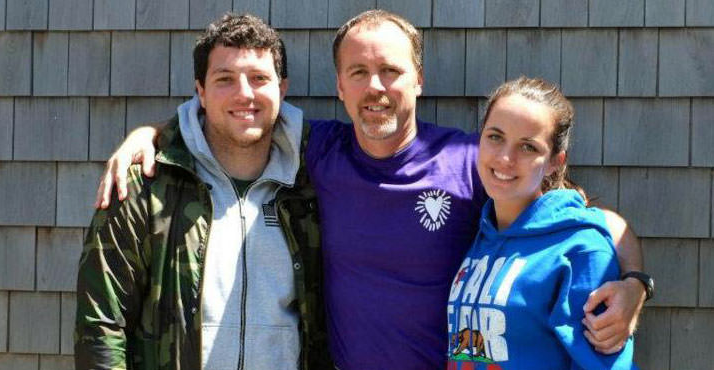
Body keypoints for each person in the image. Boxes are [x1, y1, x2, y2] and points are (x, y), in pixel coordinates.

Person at [94, 10, 650, 369]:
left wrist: (633, 283)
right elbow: (238, 115)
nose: (375, 87)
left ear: (419, 80)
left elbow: (590, 221)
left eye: (390, 71)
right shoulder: (318, 150)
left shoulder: (472, 160)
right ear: (338, 86)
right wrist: (153, 134)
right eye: (357, 72)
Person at [74, 13, 331, 370]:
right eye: (225, 79)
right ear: (201, 92)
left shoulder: (315, 184)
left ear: (281, 89)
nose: (244, 94)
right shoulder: (144, 187)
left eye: (259, 78)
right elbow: (100, 326)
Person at [447, 77, 635, 369]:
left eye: (528, 147)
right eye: (495, 137)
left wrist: (637, 283)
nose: (505, 158)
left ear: (554, 162)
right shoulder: (482, 236)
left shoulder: (581, 250)